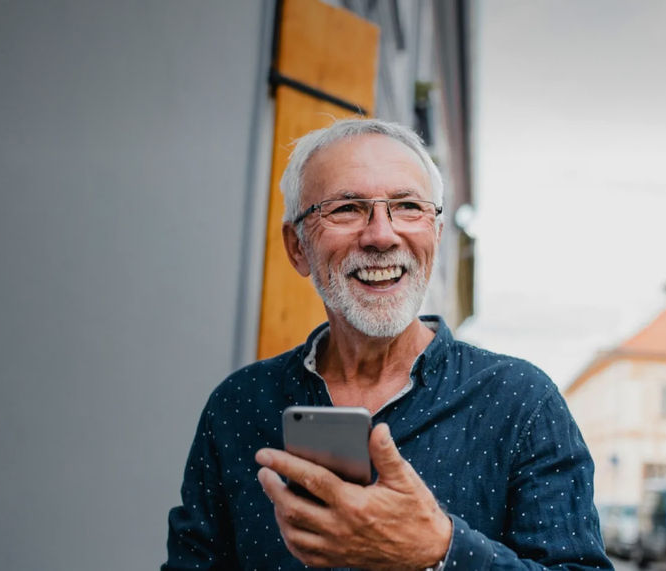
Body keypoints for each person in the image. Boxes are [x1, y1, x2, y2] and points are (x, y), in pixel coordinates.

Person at [163, 119, 611, 570]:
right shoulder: (239, 405)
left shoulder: (521, 401)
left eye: (408, 206)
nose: (381, 235)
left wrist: (441, 551)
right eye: (346, 208)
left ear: (436, 234)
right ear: (297, 247)